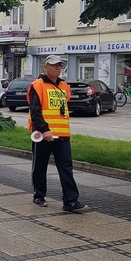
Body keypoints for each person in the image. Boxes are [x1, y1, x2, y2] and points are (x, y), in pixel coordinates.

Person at [28, 54, 87, 212]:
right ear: (45, 67)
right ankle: (38, 196)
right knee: (40, 167)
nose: (58, 68)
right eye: (54, 65)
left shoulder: (64, 86)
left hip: (62, 135)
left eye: (60, 65)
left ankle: (70, 201)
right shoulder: (37, 85)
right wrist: (44, 129)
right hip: (44, 135)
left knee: (66, 167)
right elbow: (35, 111)